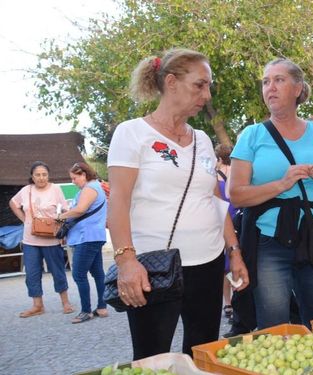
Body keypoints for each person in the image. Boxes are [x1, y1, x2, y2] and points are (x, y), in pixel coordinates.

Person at [107, 48, 249, 359]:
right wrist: (127, 262)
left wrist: (233, 251)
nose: (207, 95)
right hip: (154, 266)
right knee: (152, 358)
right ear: (171, 82)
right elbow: (118, 202)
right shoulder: (131, 133)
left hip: (208, 263)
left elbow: (214, 199)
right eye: (200, 85)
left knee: (203, 353)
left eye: (208, 86)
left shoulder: (201, 139)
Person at [230, 58, 313, 329]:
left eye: (279, 80)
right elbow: (235, 195)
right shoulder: (252, 135)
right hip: (269, 242)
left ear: (297, 89)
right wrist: (282, 184)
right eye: (265, 82)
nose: (270, 87)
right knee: (275, 327)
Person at [9, 161, 74, 318]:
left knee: (57, 271)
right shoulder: (26, 190)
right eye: (37, 175)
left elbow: (65, 209)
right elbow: (13, 203)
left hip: (51, 239)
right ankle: (37, 305)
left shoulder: (55, 189)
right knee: (32, 273)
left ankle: (65, 302)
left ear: (48, 175)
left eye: (44, 174)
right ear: (32, 176)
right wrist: (25, 220)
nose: (41, 178)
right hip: (30, 240)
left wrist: (60, 223)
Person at [57, 162, 108, 324]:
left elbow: (80, 210)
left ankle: (86, 311)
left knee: (79, 274)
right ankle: (102, 306)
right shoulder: (95, 187)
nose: (73, 181)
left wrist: (60, 217)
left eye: (75, 177)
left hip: (86, 237)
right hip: (93, 236)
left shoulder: (89, 188)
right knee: (98, 273)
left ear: (84, 174)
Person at [214, 144, 237, 320]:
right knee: (236, 261)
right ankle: (239, 298)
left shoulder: (215, 175)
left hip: (221, 222)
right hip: (237, 221)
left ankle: (227, 303)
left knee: (225, 268)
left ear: (220, 159)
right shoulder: (236, 172)